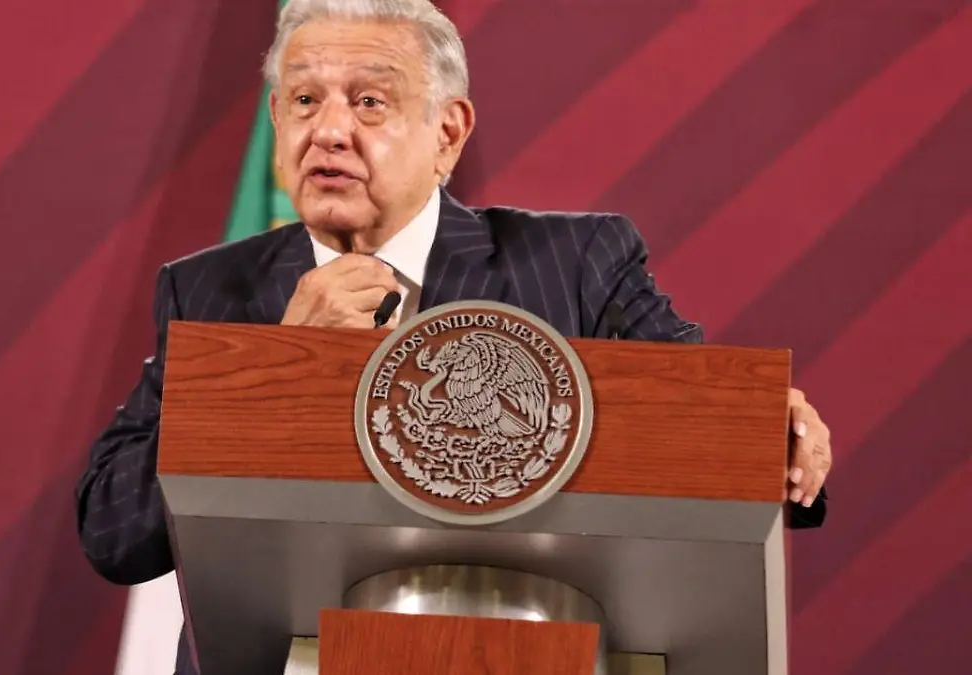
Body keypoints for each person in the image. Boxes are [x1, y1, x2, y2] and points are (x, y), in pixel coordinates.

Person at [75, 0, 832, 671]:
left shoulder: (575, 264)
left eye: (369, 102)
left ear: (447, 132)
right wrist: (280, 368)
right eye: (304, 100)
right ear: (277, 119)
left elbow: (714, 430)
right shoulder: (209, 293)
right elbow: (114, 530)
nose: (329, 130)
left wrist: (780, 438)